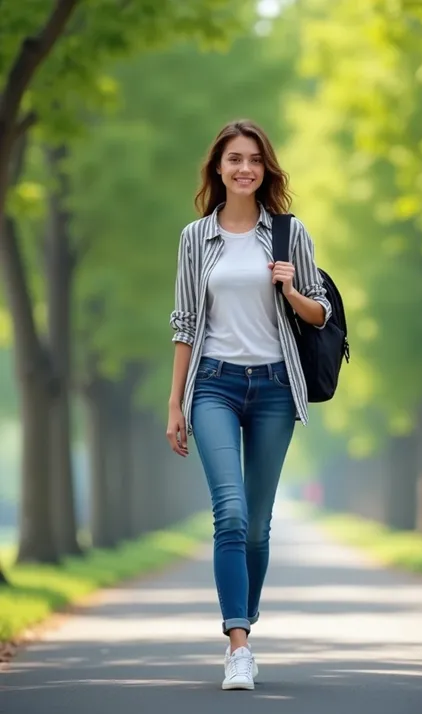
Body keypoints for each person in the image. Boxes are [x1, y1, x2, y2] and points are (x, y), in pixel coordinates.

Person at [167, 119, 331, 690]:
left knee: (258, 525)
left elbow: (321, 316)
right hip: (213, 382)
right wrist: (175, 404)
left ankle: (246, 625)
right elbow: (185, 323)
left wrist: (290, 290)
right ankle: (238, 644)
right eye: (234, 159)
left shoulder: (289, 234)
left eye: (254, 160)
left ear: (266, 169)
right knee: (230, 512)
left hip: (274, 388)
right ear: (218, 167)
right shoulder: (194, 238)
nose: (244, 169)